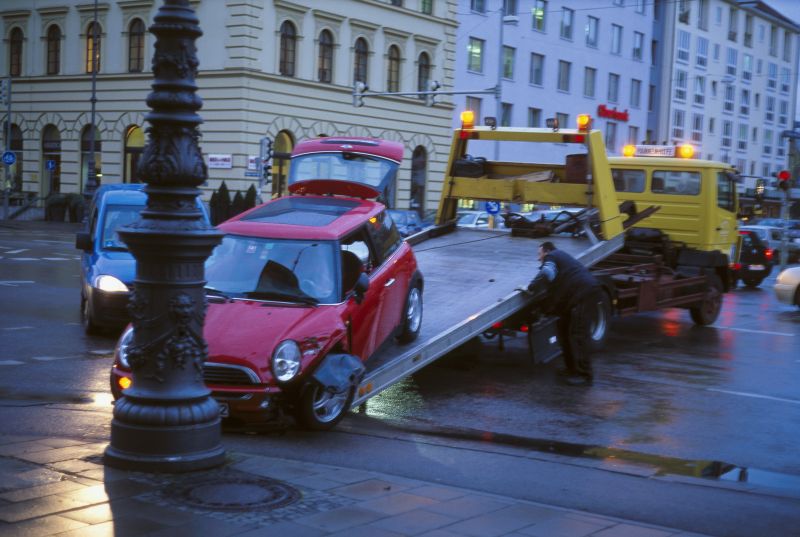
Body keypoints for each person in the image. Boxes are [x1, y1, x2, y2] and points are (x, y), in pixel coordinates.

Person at [527, 241, 602, 386]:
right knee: (564, 330)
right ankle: (571, 369)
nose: (539, 258)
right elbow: (557, 295)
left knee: (578, 334)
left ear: (547, 251)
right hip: (578, 294)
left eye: (539, 254)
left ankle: (584, 375)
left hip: (584, 293)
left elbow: (546, 273)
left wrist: (531, 286)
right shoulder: (561, 261)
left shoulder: (553, 256)